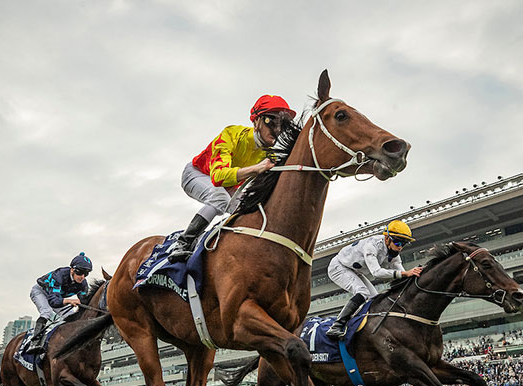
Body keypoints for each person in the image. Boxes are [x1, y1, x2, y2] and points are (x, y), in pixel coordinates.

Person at [168, 94, 297, 262]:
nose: (277, 129)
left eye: (283, 125)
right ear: (256, 121)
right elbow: (218, 178)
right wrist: (256, 168)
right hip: (196, 174)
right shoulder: (231, 134)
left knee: (246, 211)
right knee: (219, 198)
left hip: (231, 188)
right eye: (271, 121)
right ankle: (184, 242)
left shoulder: (269, 155)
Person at [325, 220, 423, 339]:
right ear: (387, 238)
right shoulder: (372, 246)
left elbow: (403, 275)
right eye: (397, 243)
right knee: (363, 292)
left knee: (375, 298)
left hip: (354, 270)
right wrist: (405, 273)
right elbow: (377, 273)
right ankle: (336, 326)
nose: (400, 247)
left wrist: (417, 275)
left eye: (404, 244)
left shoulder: (394, 253)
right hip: (339, 267)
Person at [28, 252, 93, 354]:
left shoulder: (83, 284)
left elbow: (85, 303)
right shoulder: (59, 275)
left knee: (72, 315)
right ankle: (34, 343)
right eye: (80, 272)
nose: (82, 277)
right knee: (46, 312)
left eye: (86, 274)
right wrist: (69, 301)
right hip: (41, 292)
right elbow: (53, 301)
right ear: (72, 269)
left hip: (57, 297)